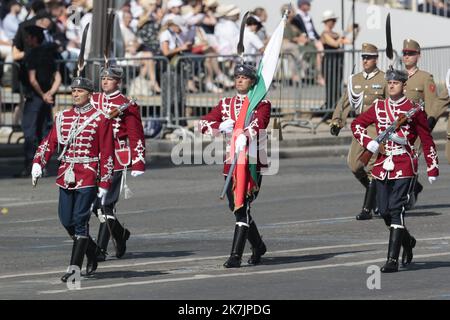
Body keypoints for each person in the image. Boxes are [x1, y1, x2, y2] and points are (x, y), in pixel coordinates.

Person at [351, 69, 439, 273]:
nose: (391, 85)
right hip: (382, 164)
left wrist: (432, 166)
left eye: (396, 83)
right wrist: (369, 142)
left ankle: (392, 259)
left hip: (404, 163)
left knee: (396, 209)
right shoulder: (378, 106)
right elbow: (356, 125)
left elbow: (426, 139)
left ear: (403, 86)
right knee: (383, 211)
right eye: (389, 83)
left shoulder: (413, 110)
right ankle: (407, 242)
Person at [31, 76, 115, 282]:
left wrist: (104, 182)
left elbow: (107, 153)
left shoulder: (100, 118)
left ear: (90, 94)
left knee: (80, 220)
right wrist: (38, 163)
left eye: (80, 91)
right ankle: (93, 250)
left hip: (88, 173)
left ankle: (74, 269)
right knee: (66, 219)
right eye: (73, 91)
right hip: (66, 173)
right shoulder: (63, 117)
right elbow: (49, 142)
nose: (76, 94)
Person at [198, 63, 271, 268]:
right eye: (237, 77)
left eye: (244, 77)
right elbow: (202, 123)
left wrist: (245, 135)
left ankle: (235, 255)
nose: (239, 80)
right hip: (231, 160)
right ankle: (258, 245)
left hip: (252, 160)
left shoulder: (261, 103)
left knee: (242, 206)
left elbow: (260, 123)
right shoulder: (225, 103)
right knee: (235, 206)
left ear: (252, 81)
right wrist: (219, 127)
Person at [90, 65, 146, 261]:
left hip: (115, 157)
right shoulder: (94, 99)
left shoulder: (126, 104)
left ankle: (101, 249)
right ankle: (121, 234)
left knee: (106, 205)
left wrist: (138, 161)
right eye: (103, 78)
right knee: (94, 206)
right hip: (93, 156)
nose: (105, 81)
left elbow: (135, 133)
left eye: (109, 79)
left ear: (118, 82)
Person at [330, 43, 388, 220]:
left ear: (376, 59)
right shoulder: (355, 79)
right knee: (354, 165)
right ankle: (377, 194)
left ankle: (368, 208)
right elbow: (345, 102)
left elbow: (390, 103)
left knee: (371, 167)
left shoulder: (384, 79)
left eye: (369, 57)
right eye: (363, 57)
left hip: (376, 128)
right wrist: (337, 121)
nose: (365, 60)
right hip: (360, 127)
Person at [401, 39, 448, 207]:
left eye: (411, 53)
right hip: (399, 129)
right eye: (405, 53)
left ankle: (407, 195)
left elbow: (433, 105)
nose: (407, 56)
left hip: (417, 128)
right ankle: (411, 189)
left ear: (418, 56)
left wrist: (427, 126)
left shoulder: (425, 78)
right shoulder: (396, 77)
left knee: (410, 161)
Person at [15, 25, 61, 178]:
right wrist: (49, 94)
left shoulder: (32, 55)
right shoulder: (49, 53)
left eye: (28, 37)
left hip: (35, 98)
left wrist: (42, 95)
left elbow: (32, 79)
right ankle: (43, 165)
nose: (27, 40)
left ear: (34, 38)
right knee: (44, 133)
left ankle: (30, 165)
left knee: (30, 132)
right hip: (47, 98)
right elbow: (58, 78)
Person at [320, 10, 355, 114]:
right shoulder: (324, 34)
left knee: (337, 85)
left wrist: (354, 31)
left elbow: (349, 41)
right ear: (327, 21)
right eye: (332, 20)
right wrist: (346, 32)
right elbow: (334, 44)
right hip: (329, 63)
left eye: (334, 20)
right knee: (331, 86)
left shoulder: (336, 34)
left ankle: (336, 107)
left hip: (337, 63)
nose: (334, 22)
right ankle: (330, 107)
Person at [291, 0, 325, 86]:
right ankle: (318, 75)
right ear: (301, 5)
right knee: (318, 53)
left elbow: (313, 30)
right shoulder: (296, 17)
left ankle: (318, 74)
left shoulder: (308, 16)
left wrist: (319, 38)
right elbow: (298, 32)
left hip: (312, 40)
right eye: (307, 3)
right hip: (305, 42)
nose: (309, 5)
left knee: (321, 52)